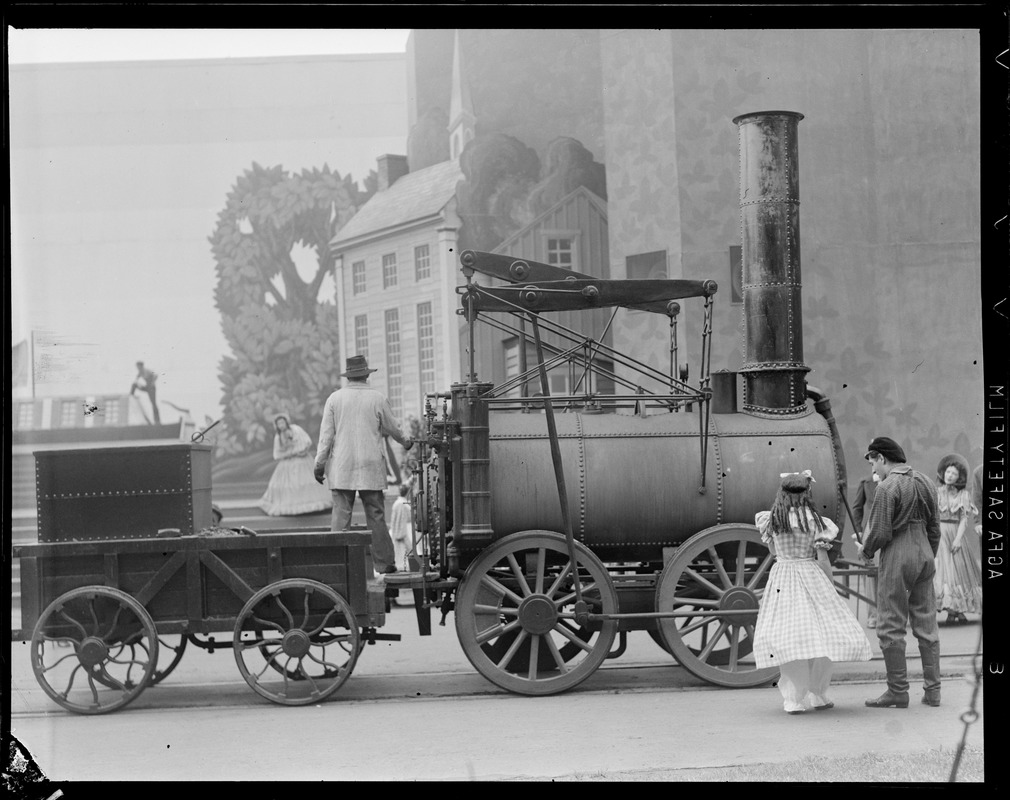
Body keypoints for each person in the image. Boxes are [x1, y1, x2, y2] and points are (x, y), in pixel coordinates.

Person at [753, 470, 872, 715]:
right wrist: (829, 587)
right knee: (821, 637)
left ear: (782, 493)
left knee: (791, 639)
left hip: (783, 578)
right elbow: (823, 559)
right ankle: (818, 694)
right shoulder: (817, 522)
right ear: (808, 493)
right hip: (811, 576)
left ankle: (793, 699)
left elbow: (775, 553)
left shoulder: (773, 519)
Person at [855, 436, 942, 708]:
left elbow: (881, 531)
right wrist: (928, 555)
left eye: (873, 463)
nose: (874, 470)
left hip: (898, 553)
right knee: (926, 623)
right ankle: (933, 691)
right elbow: (935, 528)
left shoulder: (887, 486)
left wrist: (866, 551)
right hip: (925, 552)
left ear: (881, 458)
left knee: (890, 624)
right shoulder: (926, 481)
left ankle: (898, 691)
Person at [314, 355, 413, 575]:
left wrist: (319, 465)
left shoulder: (334, 399)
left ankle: (336, 565)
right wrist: (407, 442)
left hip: (342, 465)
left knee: (341, 516)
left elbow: (326, 437)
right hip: (371, 465)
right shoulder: (378, 398)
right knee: (376, 515)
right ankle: (385, 564)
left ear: (348, 376)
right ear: (367, 375)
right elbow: (394, 428)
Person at [933, 454, 982, 625]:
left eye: (953, 474)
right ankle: (951, 610)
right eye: (947, 472)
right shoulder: (936, 493)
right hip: (939, 536)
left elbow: (963, 519)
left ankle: (957, 610)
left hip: (955, 533)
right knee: (944, 573)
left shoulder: (963, 495)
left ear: (958, 477)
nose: (949, 476)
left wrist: (958, 539)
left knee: (958, 572)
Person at [258, 414, 333, 516]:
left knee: (307, 479)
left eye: (282, 422)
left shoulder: (296, 429)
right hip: (288, 462)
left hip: (302, 459)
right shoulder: (278, 437)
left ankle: (310, 503)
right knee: (289, 484)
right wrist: (289, 453)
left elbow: (306, 441)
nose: (281, 425)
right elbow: (277, 453)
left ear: (286, 422)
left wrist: (302, 450)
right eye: (278, 424)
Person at [852, 471, 881, 628]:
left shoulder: (895, 480)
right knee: (870, 573)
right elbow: (857, 508)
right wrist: (859, 531)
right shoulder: (865, 482)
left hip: (891, 530)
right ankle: (873, 615)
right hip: (870, 530)